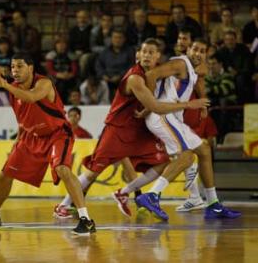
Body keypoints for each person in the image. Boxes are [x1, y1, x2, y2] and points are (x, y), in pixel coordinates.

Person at [54, 39, 208, 218]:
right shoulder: (135, 78)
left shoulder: (155, 74)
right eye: (144, 52)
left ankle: (124, 192)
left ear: (158, 56)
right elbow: (156, 107)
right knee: (94, 172)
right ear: (138, 55)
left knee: (162, 162)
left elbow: (188, 68)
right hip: (117, 130)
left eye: (152, 52)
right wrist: (190, 104)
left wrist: (200, 70)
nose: (147, 55)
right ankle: (63, 206)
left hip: (139, 131)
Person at [0, 53, 96, 236]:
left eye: (19, 66)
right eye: (12, 67)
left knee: (62, 169)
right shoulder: (13, 89)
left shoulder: (44, 83)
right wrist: (18, 140)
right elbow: (22, 118)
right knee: (6, 174)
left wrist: (5, 85)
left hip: (57, 134)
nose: (15, 70)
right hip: (31, 136)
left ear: (30, 68)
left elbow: (31, 97)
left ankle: (86, 220)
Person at [133, 39, 241, 220]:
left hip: (172, 116)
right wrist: (149, 105)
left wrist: (203, 104)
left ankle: (213, 204)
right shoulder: (180, 63)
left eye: (202, 51)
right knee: (187, 156)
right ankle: (152, 195)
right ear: (188, 49)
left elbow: (199, 79)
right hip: (162, 115)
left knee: (204, 150)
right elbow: (151, 75)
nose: (198, 53)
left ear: (207, 54)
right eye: (195, 49)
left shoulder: (194, 68)